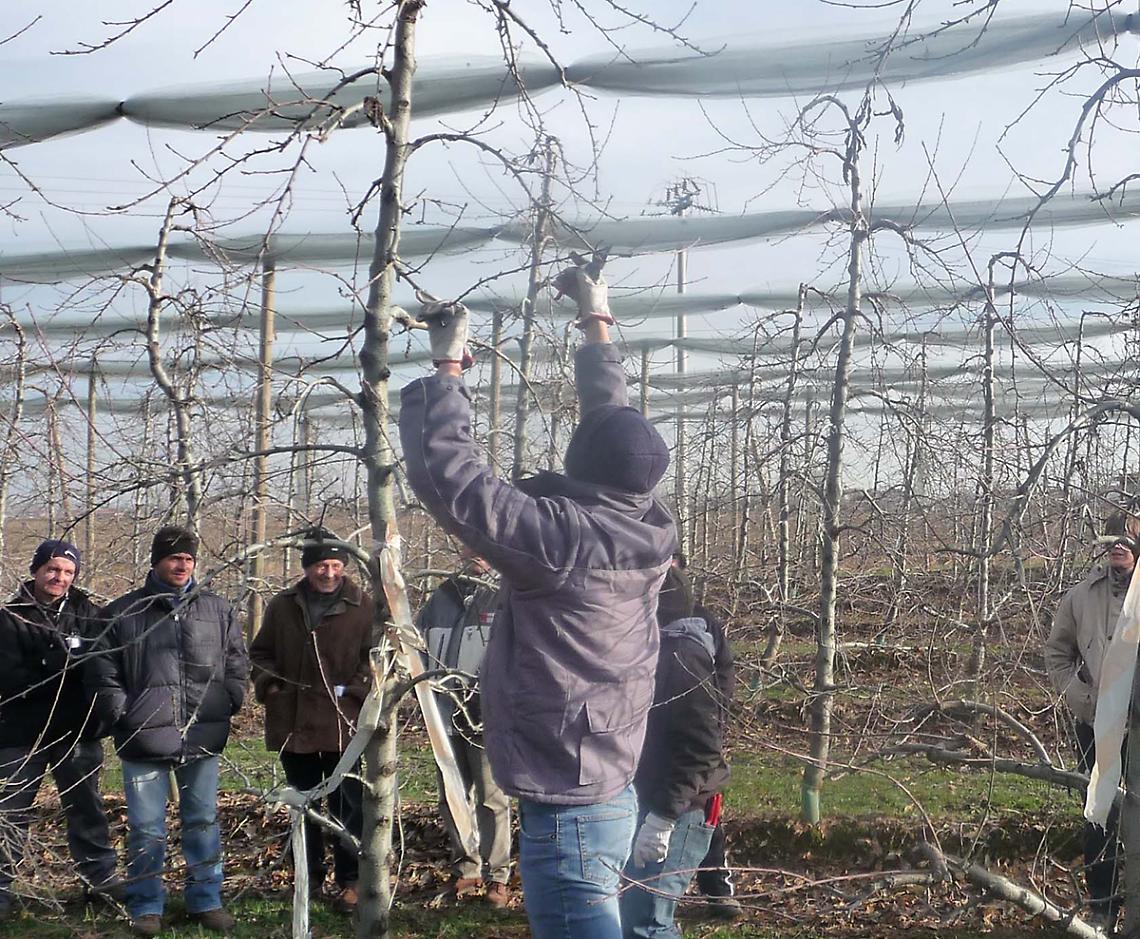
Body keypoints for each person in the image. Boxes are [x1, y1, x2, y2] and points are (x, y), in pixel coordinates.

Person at [398, 258, 676, 939]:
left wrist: (449, 364)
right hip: (608, 777)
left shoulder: (563, 540)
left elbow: (455, 480)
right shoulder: (648, 521)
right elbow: (614, 421)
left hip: (571, 805)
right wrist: (594, 318)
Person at [89, 525, 249, 937]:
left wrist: (232, 696)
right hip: (143, 734)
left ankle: (207, 900)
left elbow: (236, 658)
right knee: (146, 827)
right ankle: (146, 906)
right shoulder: (123, 612)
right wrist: (120, 709)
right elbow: (103, 669)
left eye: (188, 559)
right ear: (157, 561)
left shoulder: (217, 609)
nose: (181, 565)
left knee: (202, 820)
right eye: (174, 557)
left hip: (202, 733)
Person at [249, 528, 375, 912]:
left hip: (343, 723)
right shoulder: (283, 606)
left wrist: (355, 690)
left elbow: (375, 657)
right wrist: (272, 688)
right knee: (302, 804)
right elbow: (260, 653)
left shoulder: (362, 605)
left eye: (337, 565)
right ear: (307, 568)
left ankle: (351, 881)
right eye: (322, 565)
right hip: (294, 722)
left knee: (348, 805)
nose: (330, 572)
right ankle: (308, 877)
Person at [0, 540, 122, 919]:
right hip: (20, 733)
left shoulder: (91, 616)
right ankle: (1, 888)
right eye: (52, 569)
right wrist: (57, 661)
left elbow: (103, 670)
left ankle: (100, 880)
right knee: (9, 810)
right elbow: (7, 675)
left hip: (76, 731)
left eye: (68, 572)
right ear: (36, 570)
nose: (59, 577)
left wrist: (101, 716)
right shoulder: (9, 617)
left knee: (87, 807)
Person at [620, 563, 731, 938]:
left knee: (646, 923)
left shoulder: (681, 656)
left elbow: (701, 748)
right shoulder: (651, 651)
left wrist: (663, 818)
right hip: (651, 796)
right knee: (635, 913)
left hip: (683, 807)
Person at [1045, 510, 1140, 934]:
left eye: (1127, 540)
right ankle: (1102, 908)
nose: (1118, 547)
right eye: (1111, 540)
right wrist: (1083, 699)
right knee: (1100, 816)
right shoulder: (1080, 596)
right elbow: (1057, 654)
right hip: (1098, 726)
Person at [416, 548, 510, 908]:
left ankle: (497, 875)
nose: (476, 555)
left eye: (481, 547)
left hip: (486, 716)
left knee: (491, 798)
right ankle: (466, 868)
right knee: (452, 797)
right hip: (442, 713)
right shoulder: (441, 597)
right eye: (468, 548)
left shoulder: (503, 595)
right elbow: (418, 650)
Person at [670, 554, 742, 921]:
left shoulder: (703, 619)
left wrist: (714, 711)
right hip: (650, 737)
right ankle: (646, 891)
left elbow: (725, 668)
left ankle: (718, 890)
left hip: (700, 731)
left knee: (705, 808)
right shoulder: (633, 615)